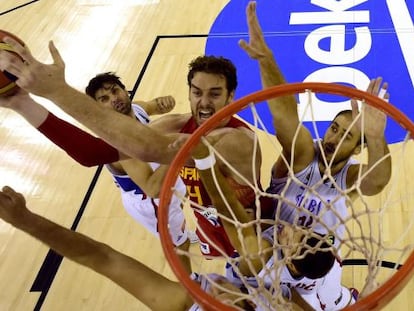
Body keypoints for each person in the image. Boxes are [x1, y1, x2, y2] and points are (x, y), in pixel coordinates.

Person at [0, 35, 267, 258]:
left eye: (215, 93)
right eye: (197, 92)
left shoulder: (236, 141)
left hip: (250, 235)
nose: (204, 102)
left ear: (232, 96)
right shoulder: (176, 124)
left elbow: (148, 155)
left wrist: (56, 90)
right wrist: (23, 104)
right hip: (210, 227)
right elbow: (93, 153)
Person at [237, 1, 391, 310]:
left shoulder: (347, 176)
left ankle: (345, 297)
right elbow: (285, 114)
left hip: (320, 263)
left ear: (358, 149)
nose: (333, 138)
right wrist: (266, 59)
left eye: (347, 136)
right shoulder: (303, 157)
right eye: (334, 128)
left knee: (334, 300)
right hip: (276, 256)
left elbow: (376, 183)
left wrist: (376, 137)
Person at [0, 73, 198, 272]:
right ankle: (190, 283)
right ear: (97, 109)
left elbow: (151, 106)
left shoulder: (136, 108)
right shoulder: (120, 145)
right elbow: (154, 189)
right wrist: (179, 149)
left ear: (124, 91)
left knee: (182, 202)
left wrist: (163, 102)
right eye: (104, 99)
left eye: (115, 91)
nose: (114, 99)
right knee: (178, 246)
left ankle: (181, 232)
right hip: (149, 200)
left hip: (164, 176)